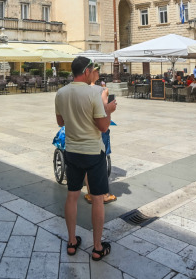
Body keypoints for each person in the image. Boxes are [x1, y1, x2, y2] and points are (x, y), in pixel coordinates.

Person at [55, 57, 116, 262]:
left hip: (72, 151)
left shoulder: (61, 93)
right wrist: (108, 109)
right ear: (87, 71)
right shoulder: (94, 93)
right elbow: (103, 127)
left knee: (72, 196)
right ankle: (97, 247)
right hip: (92, 152)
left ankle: (72, 241)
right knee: (97, 198)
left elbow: (60, 122)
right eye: (92, 69)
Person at [84, 69, 117, 204]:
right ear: (90, 73)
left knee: (87, 164)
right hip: (98, 129)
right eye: (97, 71)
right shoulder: (103, 90)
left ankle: (90, 193)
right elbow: (104, 112)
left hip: (84, 130)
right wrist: (110, 109)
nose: (98, 74)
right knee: (100, 161)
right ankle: (103, 194)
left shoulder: (78, 91)